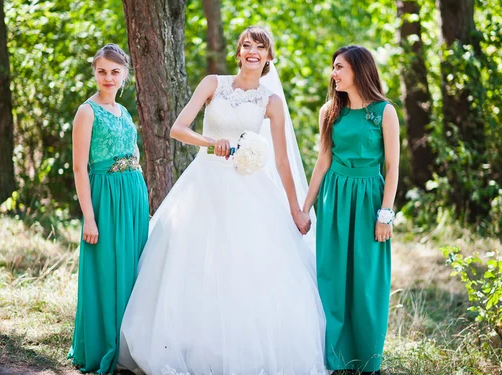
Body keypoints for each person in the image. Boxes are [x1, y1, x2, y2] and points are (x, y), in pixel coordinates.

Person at [117, 26, 326, 375]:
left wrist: (295, 209)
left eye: (260, 47)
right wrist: (209, 143)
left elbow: (282, 161)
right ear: (239, 52)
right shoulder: (214, 84)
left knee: (248, 267)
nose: (252, 52)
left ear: (269, 56)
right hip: (204, 183)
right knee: (190, 262)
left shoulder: (272, 103)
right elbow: (177, 128)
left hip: (250, 189)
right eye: (246, 45)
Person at [302, 45, 400, 375]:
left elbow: (392, 166)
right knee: (332, 275)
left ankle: (367, 358)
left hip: (370, 198)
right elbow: (323, 161)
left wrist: (385, 214)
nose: (334, 73)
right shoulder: (330, 110)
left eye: (339, 67)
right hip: (334, 196)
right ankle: (336, 357)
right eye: (334, 67)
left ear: (359, 69)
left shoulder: (384, 111)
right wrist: (305, 209)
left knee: (368, 278)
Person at [68, 43, 149, 374]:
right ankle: (104, 345)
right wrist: (89, 216)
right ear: (94, 72)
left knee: (132, 267)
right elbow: (79, 168)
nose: (108, 77)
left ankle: (130, 345)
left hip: (132, 194)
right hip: (105, 197)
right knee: (107, 268)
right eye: (102, 71)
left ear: (125, 75)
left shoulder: (124, 112)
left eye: (115, 72)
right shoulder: (87, 112)